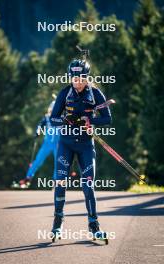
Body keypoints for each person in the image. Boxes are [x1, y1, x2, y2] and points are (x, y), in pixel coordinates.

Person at [50, 58, 112, 240]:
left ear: (86, 77)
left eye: (80, 77)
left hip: (85, 144)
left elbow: (107, 119)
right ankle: (57, 223)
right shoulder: (64, 93)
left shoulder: (95, 94)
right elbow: (52, 119)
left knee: (88, 185)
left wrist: (89, 121)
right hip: (66, 144)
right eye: (73, 77)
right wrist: (64, 120)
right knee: (61, 182)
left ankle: (94, 226)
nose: (76, 81)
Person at [19, 101, 59, 189]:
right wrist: (37, 131)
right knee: (38, 160)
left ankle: (56, 181)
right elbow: (40, 125)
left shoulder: (62, 118)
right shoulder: (47, 118)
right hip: (47, 144)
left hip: (58, 144)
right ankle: (27, 178)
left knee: (58, 162)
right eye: (52, 110)